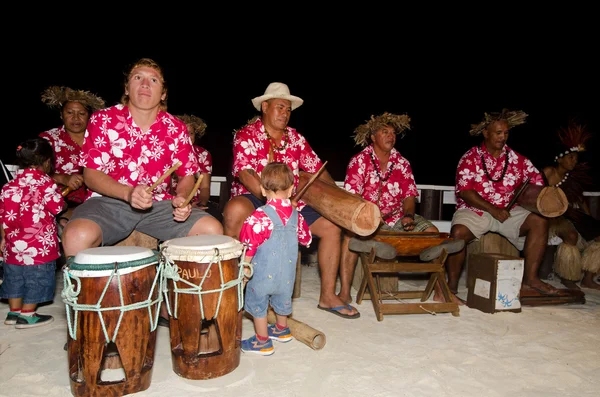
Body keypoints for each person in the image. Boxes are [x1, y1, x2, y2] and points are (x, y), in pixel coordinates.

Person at [61, 57, 223, 259]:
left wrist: (182, 199)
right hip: (108, 202)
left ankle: (177, 288)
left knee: (212, 230)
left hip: (159, 205)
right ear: (127, 88)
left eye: (153, 80)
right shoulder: (102, 120)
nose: (145, 84)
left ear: (163, 94)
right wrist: (128, 194)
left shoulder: (177, 128)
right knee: (77, 236)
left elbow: (186, 176)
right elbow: (91, 175)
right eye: (138, 78)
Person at [223, 82, 359, 319]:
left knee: (331, 227)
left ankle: (327, 296)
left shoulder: (295, 138)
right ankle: (232, 289)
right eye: (280, 107)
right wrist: (270, 201)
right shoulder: (246, 135)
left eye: (288, 109)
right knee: (234, 210)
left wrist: (341, 195)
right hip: (255, 197)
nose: (285, 113)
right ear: (265, 107)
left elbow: (318, 171)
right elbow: (245, 173)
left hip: (292, 202)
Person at [339, 112, 458, 304]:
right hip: (368, 218)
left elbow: (409, 195)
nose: (390, 136)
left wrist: (408, 215)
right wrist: (372, 217)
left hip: (398, 217)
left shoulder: (402, 163)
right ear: (372, 137)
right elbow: (352, 198)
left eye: (393, 133)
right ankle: (344, 292)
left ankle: (439, 290)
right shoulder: (359, 161)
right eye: (384, 132)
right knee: (348, 236)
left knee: (433, 233)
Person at [444, 109, 559, 304]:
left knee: (539, 221)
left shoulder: (517, 159)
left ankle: (531, 278)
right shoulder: (470, 158)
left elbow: (537, 183)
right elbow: (465, 192)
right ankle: (451, 287)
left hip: (508, 211)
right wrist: (493, 209)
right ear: (486, 133)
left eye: (506, 133)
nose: (502, 137)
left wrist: (549, 197)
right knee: (458, 233)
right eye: (498, 132)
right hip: (477, 209)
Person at [239, 162, 312, 355]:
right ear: (291, 190)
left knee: (258, 301)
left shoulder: (259, 216)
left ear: (263, 189)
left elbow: (248, 244)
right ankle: (281, 329)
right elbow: (307, 239)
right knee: (282, 299)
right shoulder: (298, 216)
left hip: (262, 274)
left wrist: (245, 266)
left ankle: (262, 340)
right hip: (287, 274)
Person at [0, 138, 66, 328]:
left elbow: (3, 215)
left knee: (15, 277)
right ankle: (28, 314)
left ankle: (13, 313)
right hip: (38, 244)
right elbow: (57, 206)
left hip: (13, 243)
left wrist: (4, 238)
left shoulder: (8, 186)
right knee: (37, 278)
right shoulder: (46, 183)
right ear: (46, 161)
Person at [542, 122, 600, 290]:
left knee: (598, 233)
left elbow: (580, 200)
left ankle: (588, 278)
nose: (574, 161)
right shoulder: (548, 172)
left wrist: (589, 220)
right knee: (571, 236)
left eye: (576, 158)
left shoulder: (573, 177)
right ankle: (568, 277)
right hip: (550, 216)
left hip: (570, 214)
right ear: (559, 158)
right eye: (571, 157)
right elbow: (536, 196)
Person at [39, 86, 105, 229]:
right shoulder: (48, 140)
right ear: (61, 115)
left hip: (99, 200)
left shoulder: (101, 139)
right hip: (61, 201)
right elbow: (33, 173)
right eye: (70, 112)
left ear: (89, 115)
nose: (76, 118)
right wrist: (63, 178)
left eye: (81, 113)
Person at [174, 114, 222, 222]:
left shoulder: (203, 154)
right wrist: (184, 204)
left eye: (190, 133)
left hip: (197, 202)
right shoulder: (168, 153)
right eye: (183, 133)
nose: (187, 137)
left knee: (216, 218)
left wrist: (201, 204)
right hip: (172, 202)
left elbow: (205, 187)